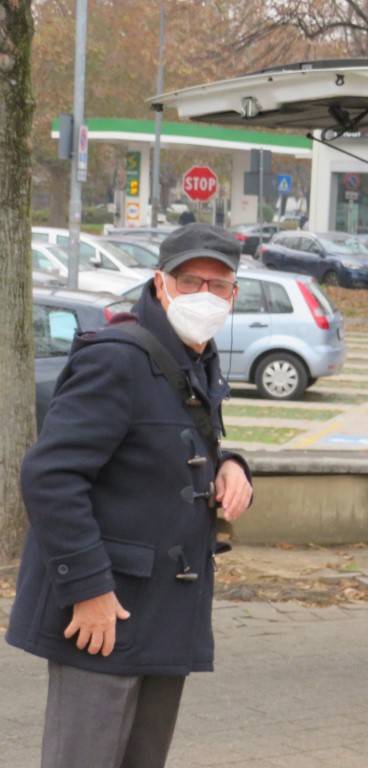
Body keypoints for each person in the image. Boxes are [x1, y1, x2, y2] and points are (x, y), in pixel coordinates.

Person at [6, 223, 254, 768]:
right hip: (104, 612)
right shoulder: (118, 357)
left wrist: (233, 466)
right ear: (160, 284)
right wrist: (88, 589)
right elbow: (50, 476)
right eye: (191, 282)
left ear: (234, 294)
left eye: (219, 286)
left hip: (165, 611)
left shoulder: (196, 354)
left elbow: (172, 441)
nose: (204, 297)